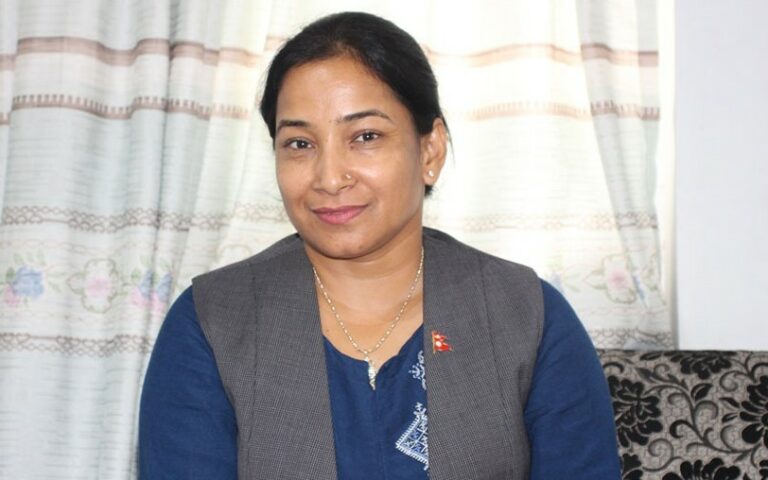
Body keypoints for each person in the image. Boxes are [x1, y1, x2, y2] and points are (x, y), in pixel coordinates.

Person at [138, 11, 621, 480]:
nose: (329, 178)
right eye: (300, 144)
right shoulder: (212, 324)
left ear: (430, 150)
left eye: (365, 136)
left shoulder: (526, 317)